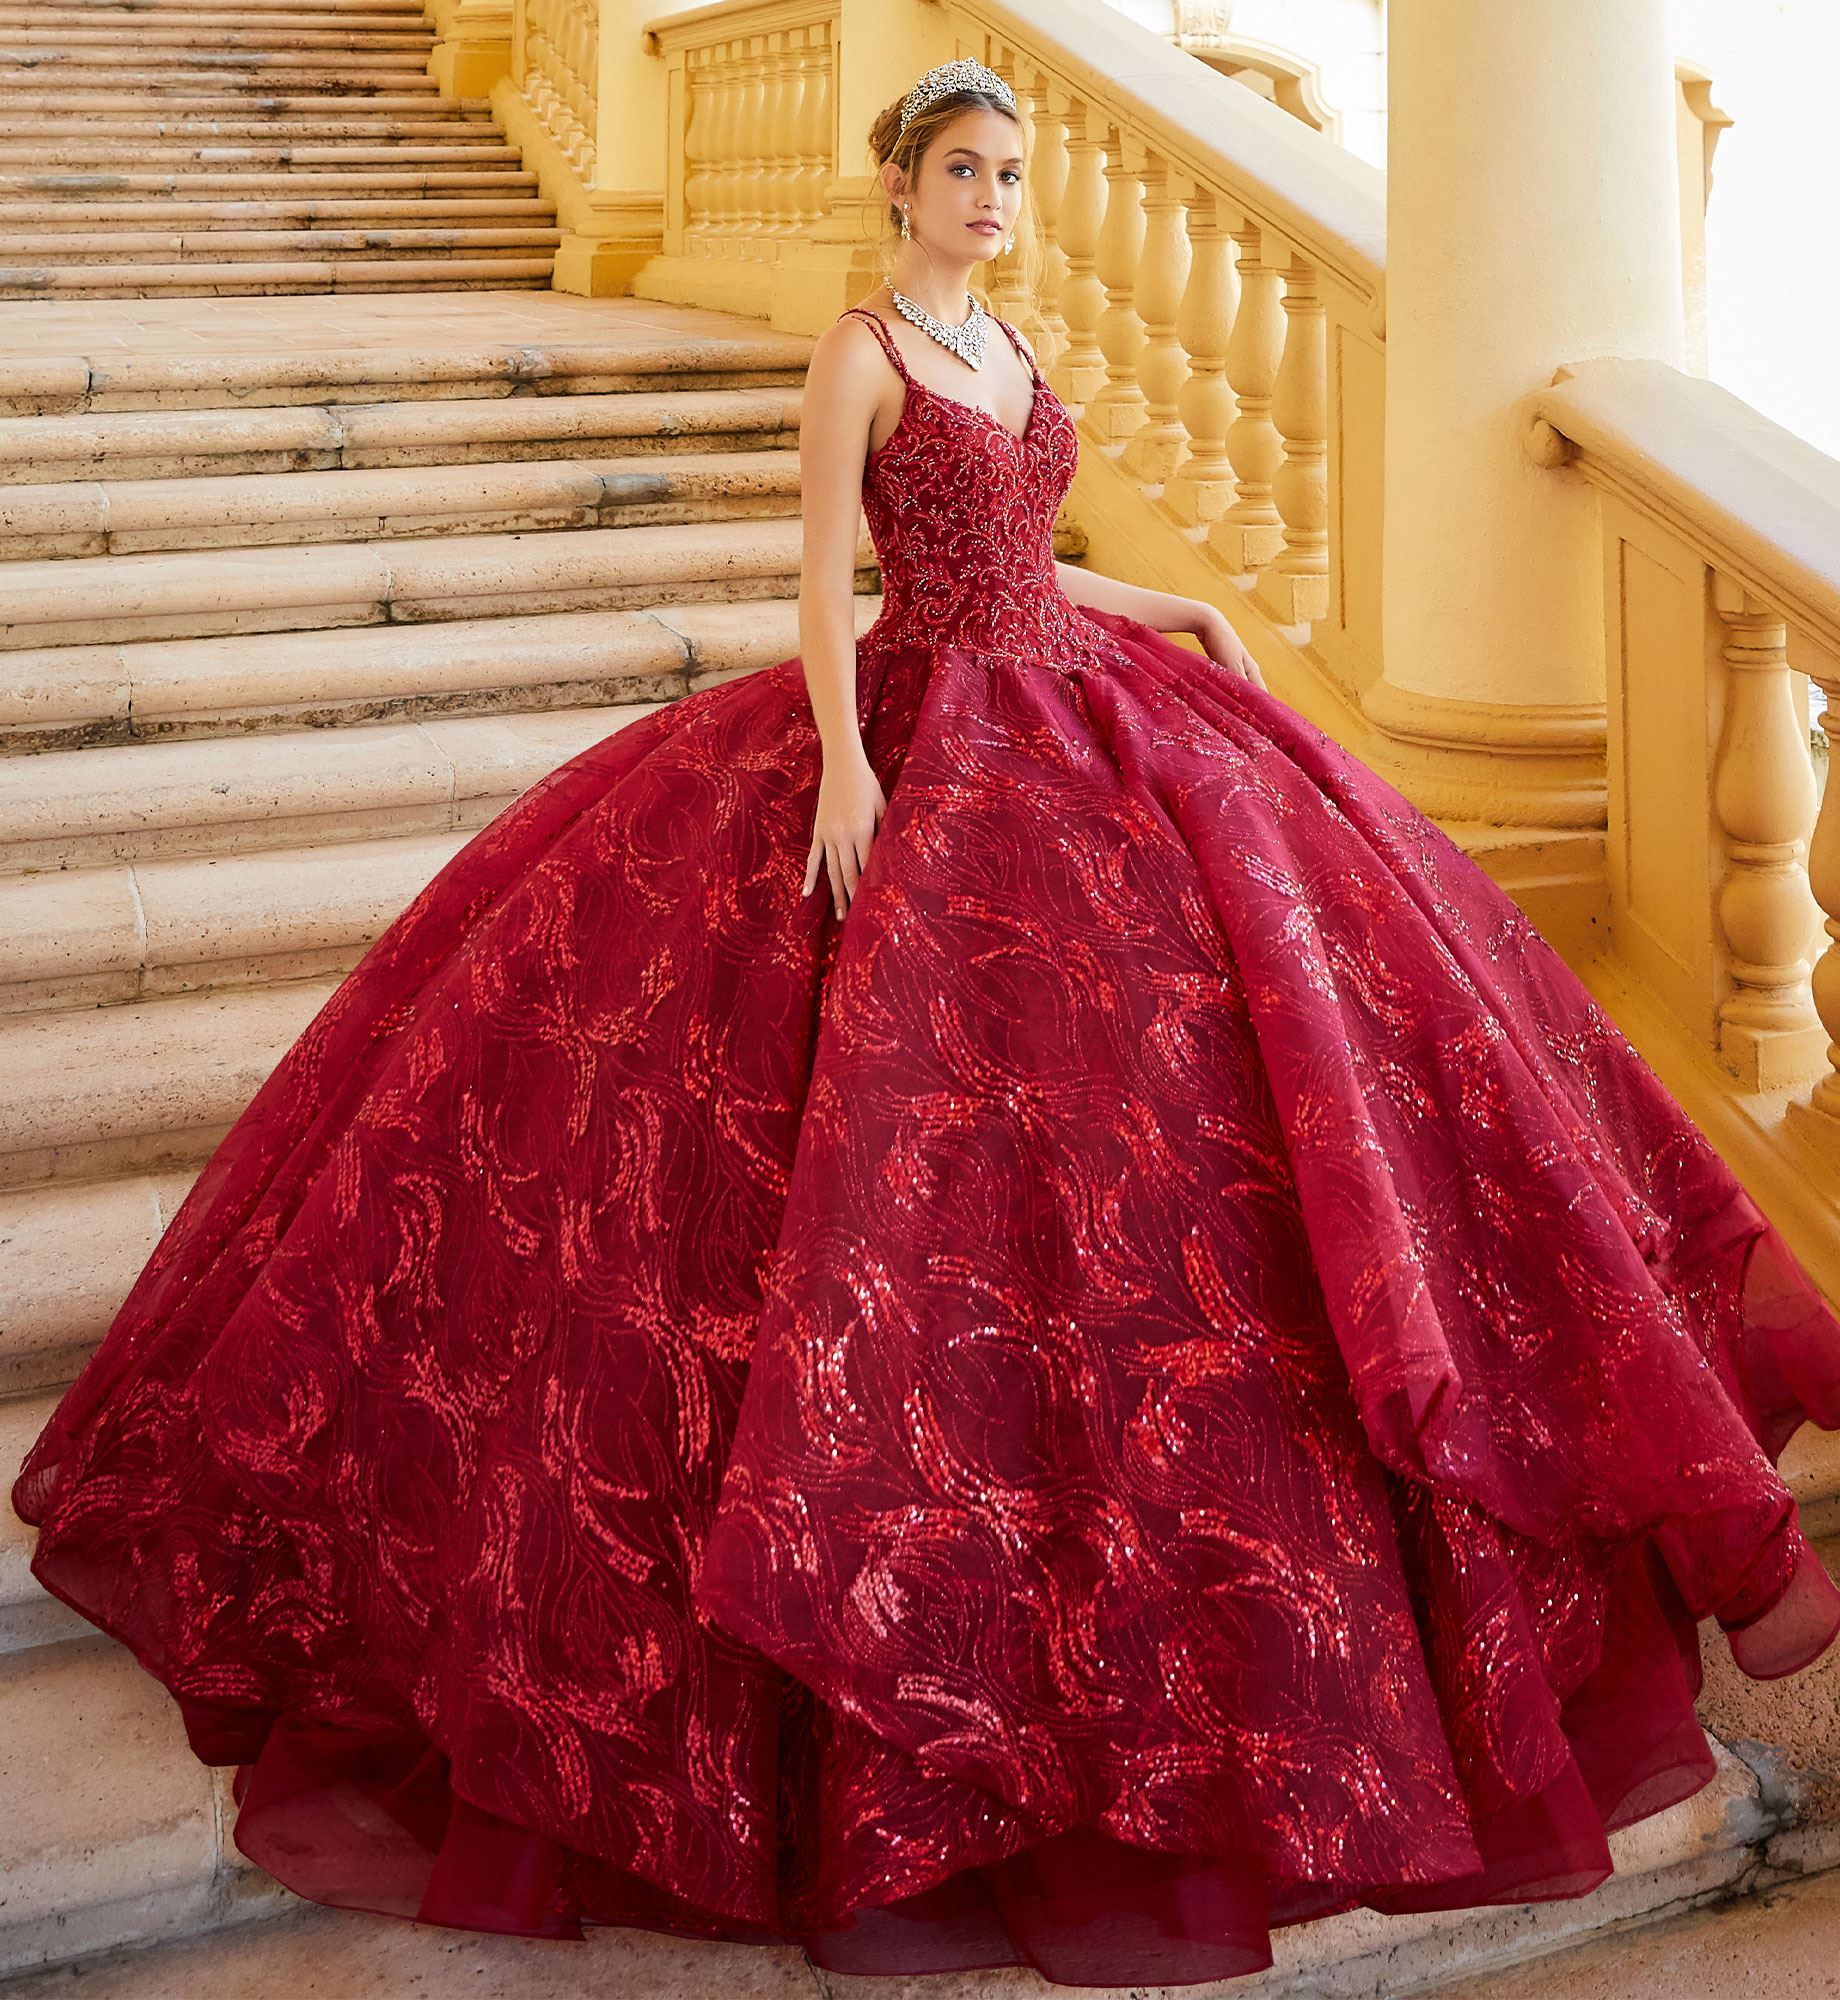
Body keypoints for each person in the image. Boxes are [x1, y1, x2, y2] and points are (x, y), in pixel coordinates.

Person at [13, 55, 1840, 1991]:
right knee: (871, 1158)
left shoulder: (1013, 341)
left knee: (1192, 1118)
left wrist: (1170, 621)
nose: (992, 196)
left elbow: (1028, 569)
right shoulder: (862, 352)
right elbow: (829, 576)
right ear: (897, 184)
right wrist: (833, 767)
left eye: (1008, 173)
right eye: (965, 169)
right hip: (918, 736)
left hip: (1069, 707)